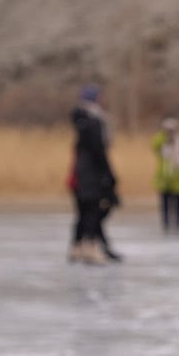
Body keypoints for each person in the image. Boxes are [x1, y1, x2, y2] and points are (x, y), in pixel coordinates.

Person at [67, 84, 122, 264]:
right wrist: (108, 175)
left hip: (80, 173)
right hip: (90, 175)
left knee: (84, 212)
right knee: (91, 211)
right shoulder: (94, 121)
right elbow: (98, 151)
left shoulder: (82, 121)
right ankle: (89, 247)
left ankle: (79, 246)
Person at [152, 117, 179, 233]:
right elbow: (154, 144)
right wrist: (163, 135)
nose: (170, 132)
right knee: (165, 207)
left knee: (178, 207)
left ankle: (178, 227)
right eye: (168, 129)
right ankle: (165, 227)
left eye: (172, 129)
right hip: (164, 180)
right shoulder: (162, 142)